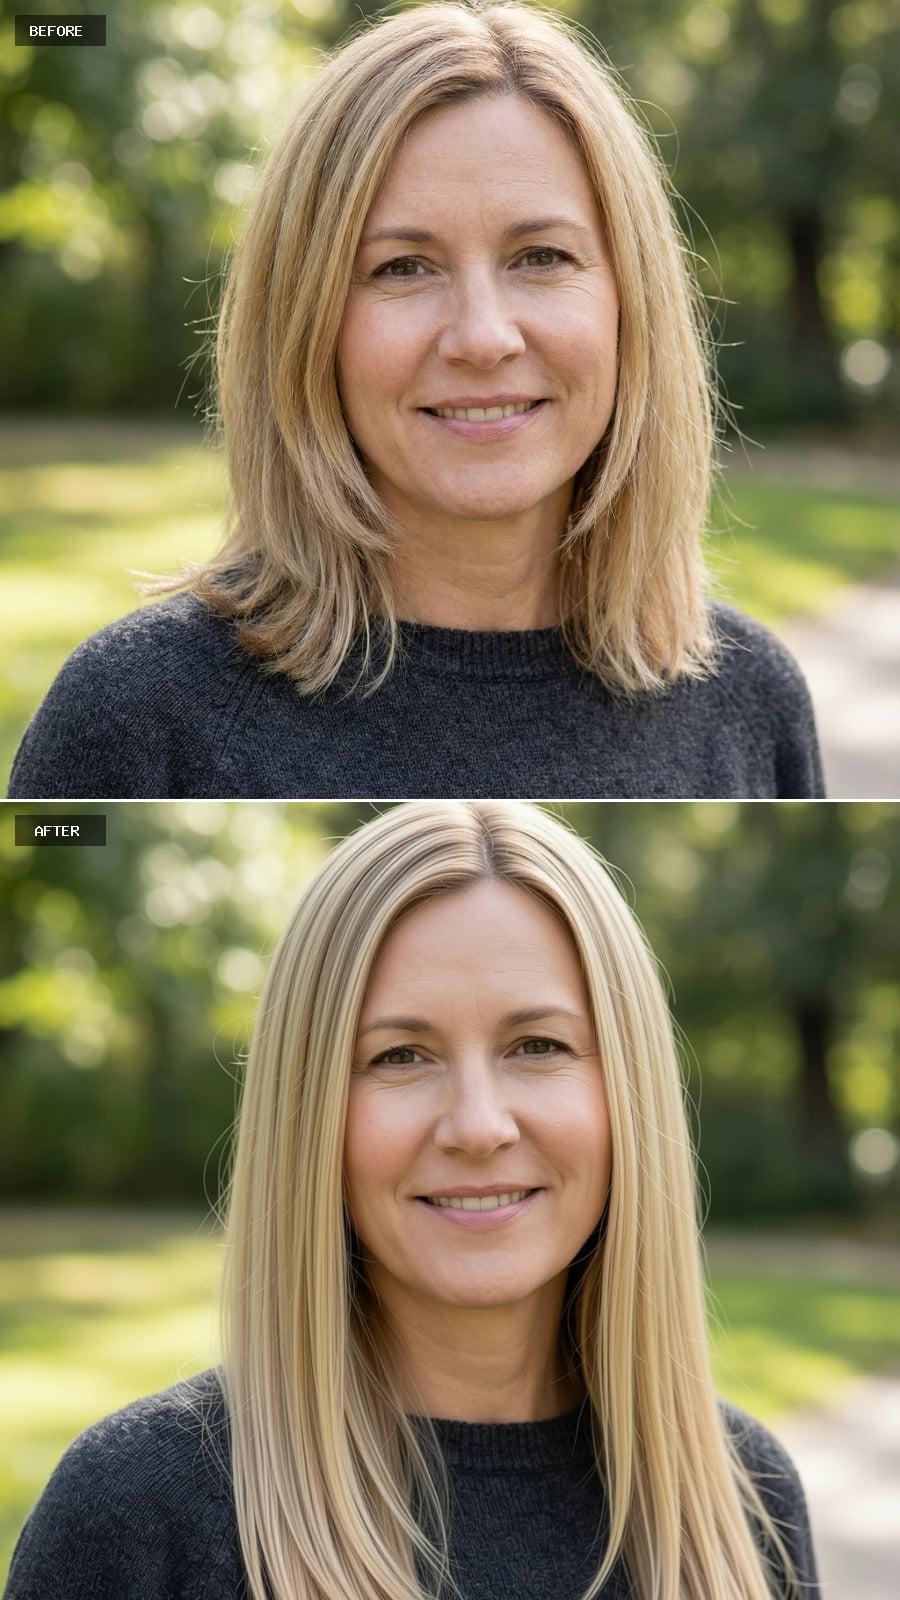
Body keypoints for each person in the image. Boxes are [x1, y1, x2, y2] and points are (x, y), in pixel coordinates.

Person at [4, 801, 821, 1600]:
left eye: (537, 1046)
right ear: (307, 1109)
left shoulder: (744, 1501)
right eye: (399, 1056)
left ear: (628, 1092)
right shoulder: (139, 1514)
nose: (477, 1125)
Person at [8, 2, 822, 800]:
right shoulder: (138, 718)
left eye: (540, 256)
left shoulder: (752, 703)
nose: (482, 336)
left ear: (629, 302)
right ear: (304, 323)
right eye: (403, 267)